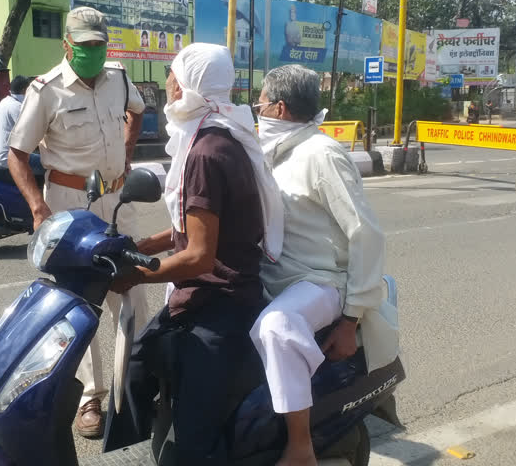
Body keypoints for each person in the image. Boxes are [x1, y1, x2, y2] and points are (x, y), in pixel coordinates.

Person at [103, 43, 284, 465]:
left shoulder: (205, 150)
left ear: (190, 84)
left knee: (196, 444)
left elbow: (200, 256)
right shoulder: (222, 133)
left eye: (174, 73)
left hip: (219, 303)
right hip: (209, 294)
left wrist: (136, 275)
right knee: (137, 362)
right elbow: (199, 224)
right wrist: (143, 246)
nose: (169, 82)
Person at [6, 6, 148, 439]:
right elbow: (17, 153)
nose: (93, 52)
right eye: (84, 46)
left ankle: (137, 387)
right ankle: (91, 396)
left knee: (135, 292)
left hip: (117, 200)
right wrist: (37, 207)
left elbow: (137, 111)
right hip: (69, 202)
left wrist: (127, 150)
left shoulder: (119, 78)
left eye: (99, 45)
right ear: (67, 45)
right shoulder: (46, 90)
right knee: (78, 304)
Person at [250, 65, 398, 466]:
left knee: (276, 328)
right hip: (276, 276)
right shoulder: (273, 151)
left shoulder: (322, 153)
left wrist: (350, 320)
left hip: (320, 281)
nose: (256, 110)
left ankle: (301, 447)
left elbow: (365, 233)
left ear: (279, 108)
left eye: (259, 103)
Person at [0, 75, 40, 169]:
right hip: (8, 157)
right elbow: (30, 130)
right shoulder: (16, 107)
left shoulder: (5, 101)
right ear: (24, 90)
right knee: (46, 164)